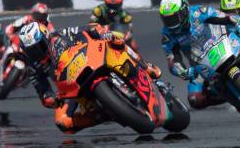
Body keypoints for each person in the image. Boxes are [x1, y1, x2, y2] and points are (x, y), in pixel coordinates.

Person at [18, 22, 160, 134]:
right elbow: (43, 92)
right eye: (32, 51)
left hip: (89, 61)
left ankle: (145, 66)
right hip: (69, 88)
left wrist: (100, 32)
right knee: (63, 123)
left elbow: (88, 28)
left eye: (39, 46)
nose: (37, 53)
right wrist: (51, 99)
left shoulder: (60, 35)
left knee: (115, 40)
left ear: (46, 37)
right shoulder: (33, 67)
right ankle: (108, 114)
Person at [159, 0, 240, 109]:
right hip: (201, 66)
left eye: (174, 18)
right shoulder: (167, 35)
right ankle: (232, 96)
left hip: (223, 46)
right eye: (167, 20)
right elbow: (172, 60)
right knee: (195, 100)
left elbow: (225, 17)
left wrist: (238, 22)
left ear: (184, 11)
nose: (171, 23)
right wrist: (183, 71)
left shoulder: (199, 12)